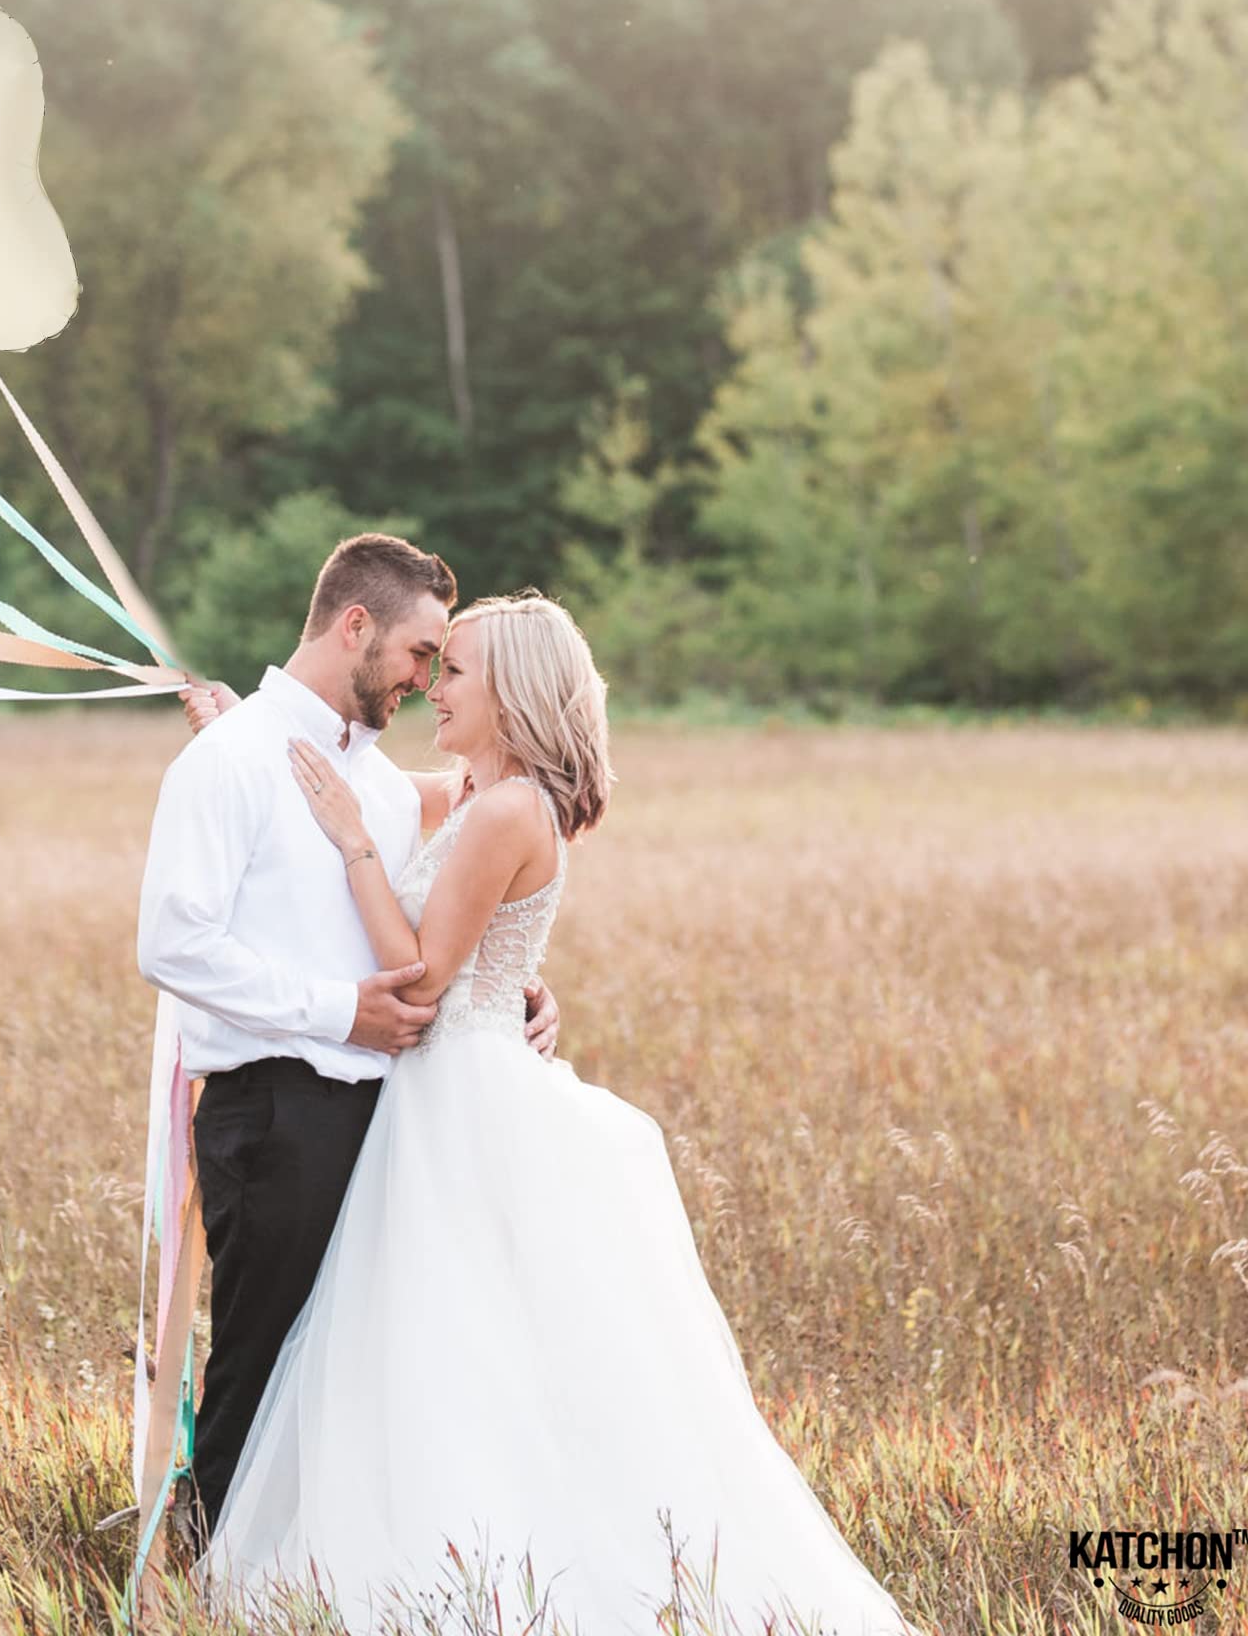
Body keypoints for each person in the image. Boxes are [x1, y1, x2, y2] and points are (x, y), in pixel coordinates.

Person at [185, 592, 922, 1636]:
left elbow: (420, 974)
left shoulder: (505, 810)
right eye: (434, 667)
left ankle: (485, 1562)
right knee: (440, 1341)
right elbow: (357, 783)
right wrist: (248, 728)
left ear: (514, 693)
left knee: (457, 1332)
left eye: (454, 672)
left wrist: (354, 847)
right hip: (439, 1092)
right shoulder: (474, 791)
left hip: (461, 1098)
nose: (431, 688)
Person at [136, 535, 564, 1553]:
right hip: (278, 1106)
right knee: (260, 1358)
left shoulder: (372, 781)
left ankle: (320, 1563)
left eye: (442, 664)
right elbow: (173, 942)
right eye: (419, 653)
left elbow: (456, 903)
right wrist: (340, 1012)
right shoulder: (228, 762)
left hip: (386, 1115)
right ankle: (213, 1569)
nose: (424, 679)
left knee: (344, 1366)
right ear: (355, 626)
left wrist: (516, 988)